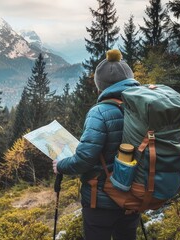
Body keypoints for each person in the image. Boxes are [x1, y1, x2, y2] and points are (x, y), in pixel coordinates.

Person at [53, 49, 141, 240]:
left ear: (100, 85)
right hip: (133, 196)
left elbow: (85, 159)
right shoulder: (141, 108)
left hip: (101, 200)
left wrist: (60, 165)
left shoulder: (99, 112)